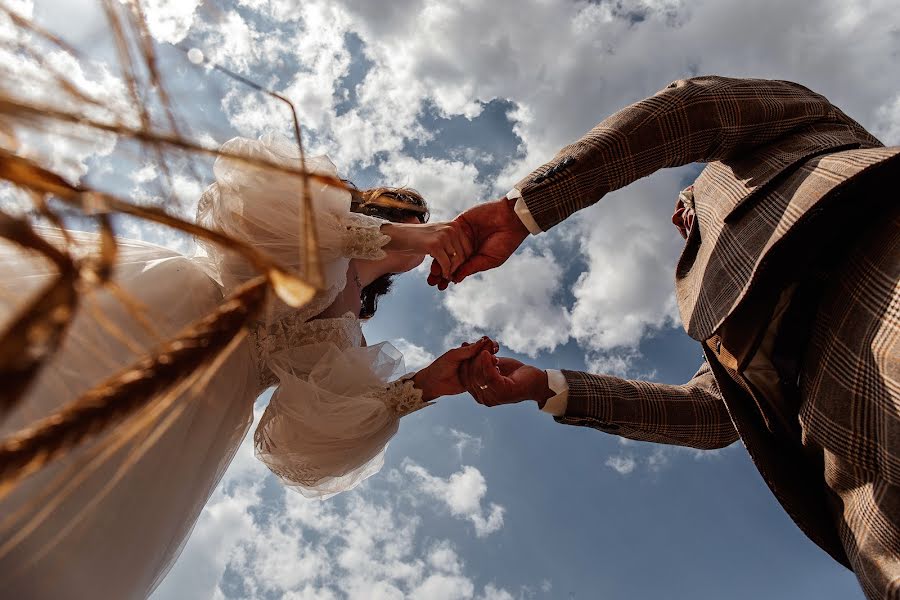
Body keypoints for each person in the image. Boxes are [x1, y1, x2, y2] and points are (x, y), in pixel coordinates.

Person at [431, 76, 900, 599]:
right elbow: (711, 415)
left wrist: (524, 210)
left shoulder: (809, 129)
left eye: (688, 199)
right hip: (860, 489)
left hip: (882, 271)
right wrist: (544, 386)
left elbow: (692, 110)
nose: (679, 218)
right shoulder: (714, 317)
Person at [0, 133, 487, 599]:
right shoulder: (320, 219)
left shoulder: (351, 335)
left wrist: (425, 385)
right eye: (411, 217)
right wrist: (401, 233)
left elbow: (301, 440)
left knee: (64, 519)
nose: (425, 234)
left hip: (205, 409)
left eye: (425, 224)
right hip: (171, 314)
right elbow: (246, 207)